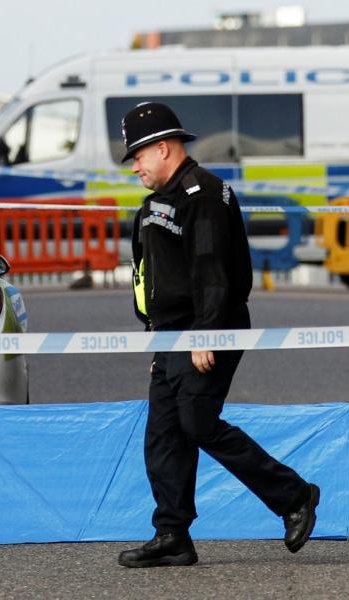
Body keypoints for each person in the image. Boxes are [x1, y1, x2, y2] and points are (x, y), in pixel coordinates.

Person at [117, 102, 320, 568]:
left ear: (163, 148)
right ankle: (172, 536)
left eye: (139, 156)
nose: (134, 167)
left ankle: (294, 497)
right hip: (170, 335)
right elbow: (150, 277)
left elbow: (212, 273)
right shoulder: (153, 205)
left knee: (197, 423)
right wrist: (155, 338)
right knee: (164, 435)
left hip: (207, 328)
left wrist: (205, 335)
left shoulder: (202, 194)